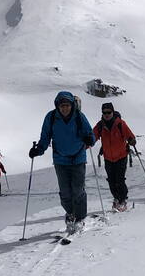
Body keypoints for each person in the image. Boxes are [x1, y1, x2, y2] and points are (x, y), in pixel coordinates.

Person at [29, 91, 96, 233]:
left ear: (72, 105)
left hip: (78, 157)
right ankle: (70, 214)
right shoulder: (51, 117)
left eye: (67, 105)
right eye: (62, 106)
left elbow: (90, 134)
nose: (64, 108)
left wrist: (90, 139)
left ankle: (80, 218)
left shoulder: (79, 116)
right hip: (60, 160)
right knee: (65, 192)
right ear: (57, 106)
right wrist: (38, 150)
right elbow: (45, 137)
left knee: (78, 190)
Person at [93, 102, 137, 210]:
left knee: (120, 179)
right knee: (111, 180)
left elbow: (130, 136)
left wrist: (132, 140)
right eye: (104, 112)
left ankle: (122, 200)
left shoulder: (120, 124)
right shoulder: (100, 126)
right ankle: (116, 199)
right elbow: (93, 136)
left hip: (121, 156)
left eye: (109, 112)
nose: (107, 114)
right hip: (108, 158)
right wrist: (88, 141)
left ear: (112, 112)